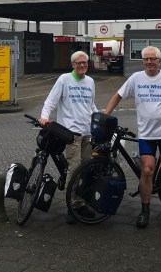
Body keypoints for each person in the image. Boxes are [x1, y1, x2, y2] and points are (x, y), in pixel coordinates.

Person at [103, 46, 161, 231]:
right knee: (147, 170)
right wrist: (105, 115)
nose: (149, 62)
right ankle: (145, 210)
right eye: (146, 59)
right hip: (146, 134)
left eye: (153, 59)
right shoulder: (136, 78)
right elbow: (118, 96)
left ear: (159, 60)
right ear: (143, 61)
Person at [39, 50, 97, 224]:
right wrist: (44, 117)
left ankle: (81, 201)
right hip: (71, 133)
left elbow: (91, 105)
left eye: (85, 63)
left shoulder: (90, 81)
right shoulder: (64, 79)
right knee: (75, 167)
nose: (82, 65)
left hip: (88, 132)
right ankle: (72, 205)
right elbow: (51, 100)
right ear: (73, 65)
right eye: (79, 63)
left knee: (87, 168)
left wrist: (99, 119)